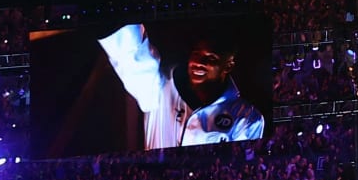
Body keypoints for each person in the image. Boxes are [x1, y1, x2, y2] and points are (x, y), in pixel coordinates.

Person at [97, 24, 266, 149]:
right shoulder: (160, 86)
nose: (199, 63)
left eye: (211, 59)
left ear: (228, 66)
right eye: (196, 54)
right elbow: (131, 56)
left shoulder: (247, 117)